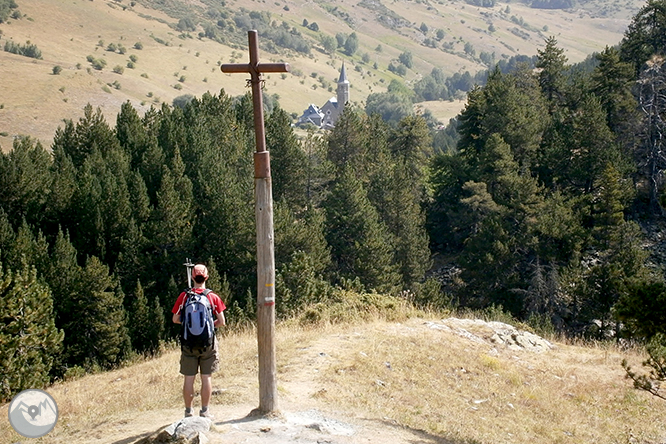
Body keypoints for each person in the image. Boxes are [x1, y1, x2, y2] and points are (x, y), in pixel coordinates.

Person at [172, 264, 226, 418]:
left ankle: (188, 412)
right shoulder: (212, 297)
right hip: (208, 343)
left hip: (188, 343)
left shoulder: (184, 296)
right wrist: (209, 326)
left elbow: (175, 319)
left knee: (189, 378)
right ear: (207, 277)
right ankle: (205, 411)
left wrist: (189, 325)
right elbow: (222, 321)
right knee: (206, 377)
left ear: (192, 277)